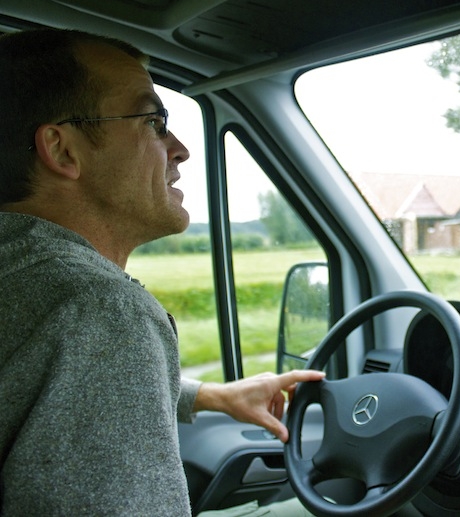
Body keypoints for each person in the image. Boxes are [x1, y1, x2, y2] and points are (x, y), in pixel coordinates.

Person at [0, 28, 323, 515]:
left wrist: (211, 395)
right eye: (153, 121)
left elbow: (34, 385)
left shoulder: (22, 274)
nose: (180, 149)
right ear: (63, 149)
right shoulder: (98, 309)